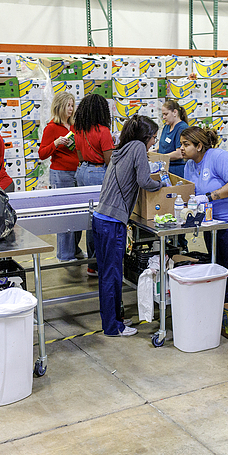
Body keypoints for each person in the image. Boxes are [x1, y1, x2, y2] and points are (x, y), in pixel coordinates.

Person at [92, 115, 162, 337]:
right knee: (112, 276)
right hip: (112, 223)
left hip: (101, 219)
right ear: (146, 136)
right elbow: (144, 181)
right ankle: (114, 327)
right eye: (153, 138)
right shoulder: (138, 148)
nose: (153, 143)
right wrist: (162, 184)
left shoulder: (121, 148)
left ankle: (113, 319)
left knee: (107, 275)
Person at [180, 126, 228, 302]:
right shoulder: (189, 165)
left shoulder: (218, 157)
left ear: (199, 146)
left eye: (186, 144)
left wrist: (209, 197)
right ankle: (218, 308)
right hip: (212, 223)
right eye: (181, 144)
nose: (181, 148)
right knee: (217, 265)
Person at [72, 93, 116, 274]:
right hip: (98, 173)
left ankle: (92, 262)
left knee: (89, 218)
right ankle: (97, 263)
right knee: (100, 218)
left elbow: (80, 155)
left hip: (82, 171)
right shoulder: (103, 131)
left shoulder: (79, 129)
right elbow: (110, 160)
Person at [39, 91, 82, 261]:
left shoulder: (74, 126)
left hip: (77, 172)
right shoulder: (51, 128)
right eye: (68, 106)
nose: (71, 109)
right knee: (66, 216)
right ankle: (65, 254)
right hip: (61, 174)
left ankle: (75, 249)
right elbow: (42, 154)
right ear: (59, 106)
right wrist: (56, 143)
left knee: (79, 215)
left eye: (72, 105)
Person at [157, 100, 189, 176]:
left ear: (175, 112)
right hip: (164, 168)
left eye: (166, 114)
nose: (164, 117)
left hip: (176, 171)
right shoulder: (166, 127)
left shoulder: (182, 128)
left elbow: (180, 153)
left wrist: (161, 158)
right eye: (163, 115)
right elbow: (161, 147)